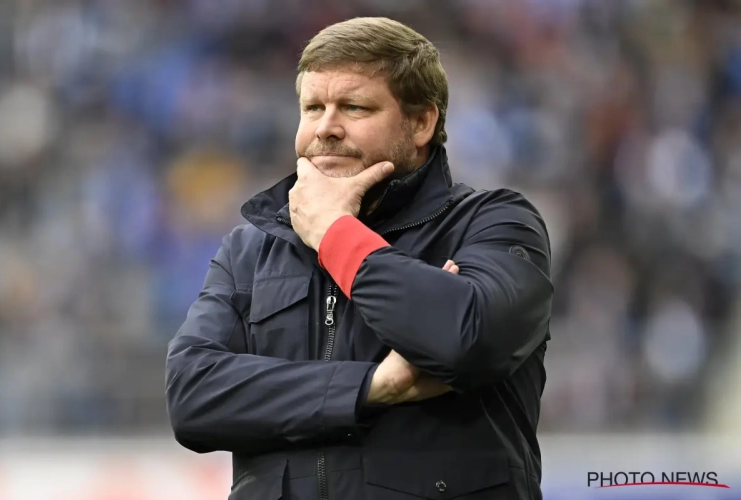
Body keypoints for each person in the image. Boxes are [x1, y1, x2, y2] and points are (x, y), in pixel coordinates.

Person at [165, 16, 553, 500]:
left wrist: (334, 234)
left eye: (354, 107)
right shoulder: (251, 249)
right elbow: (192, 396)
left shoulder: (494, 222)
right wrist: (371, 387)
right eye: (313, 108)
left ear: (421, 123)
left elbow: (467, 340)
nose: (326, 128)